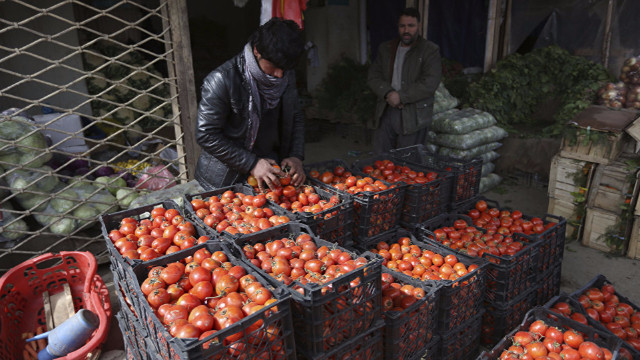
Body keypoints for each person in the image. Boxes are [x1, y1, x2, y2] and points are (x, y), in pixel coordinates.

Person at [194, 18, 306, 191]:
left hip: (270, 171)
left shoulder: (285, 74)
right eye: (274, 67)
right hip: (225, 179)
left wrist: (296, 156)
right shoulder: (221, 80)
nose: (278, 75)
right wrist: (252, 163)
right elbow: (206, 134)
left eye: (285, 68)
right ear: (256, 51)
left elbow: (296, 115)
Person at [367, 7, 442, 153]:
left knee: (407, 161)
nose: (406, 30)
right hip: (387, 109)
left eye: (411, 26)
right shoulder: (386, 48)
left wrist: (401, 96)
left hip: (413, 113)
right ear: (398, 27)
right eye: (402, 26)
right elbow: (373, 77)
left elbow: (430, 83)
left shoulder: (429, 50)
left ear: (419, 26)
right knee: (380, 158)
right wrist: (388, 93)